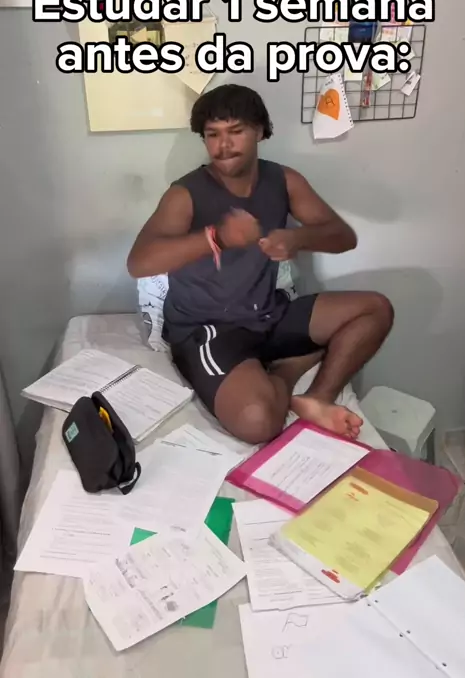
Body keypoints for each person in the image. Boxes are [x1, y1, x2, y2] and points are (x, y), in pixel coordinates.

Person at [127, 83, 394, 444]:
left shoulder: (284, 180)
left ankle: (317, 398)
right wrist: (216, 238)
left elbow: (343, 236)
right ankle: (286, 372)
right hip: (208, 328)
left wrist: (299, 239)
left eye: (235, 131)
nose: (223, 145)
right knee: (258, 424)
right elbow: (139, 262)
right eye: (213, 135)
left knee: (375, 309)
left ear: (260, 132)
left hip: (268, 314)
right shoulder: (185, 194)